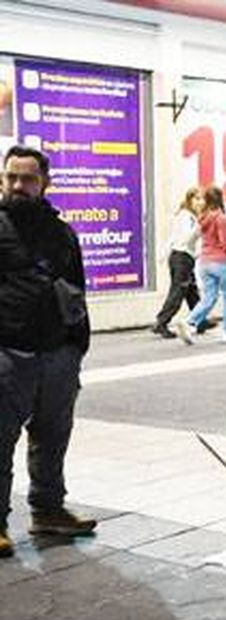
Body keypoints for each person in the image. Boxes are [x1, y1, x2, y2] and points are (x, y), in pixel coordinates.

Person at [0, 145, 97, 557]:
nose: (19, 186)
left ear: (45, 183)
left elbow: (77, 287)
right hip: (9, 351)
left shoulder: (62, 232)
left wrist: (78, 342)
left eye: (28, 179)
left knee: (53, 435)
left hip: (58, 352)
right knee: (0, 439)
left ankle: (48, 511)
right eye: (12, 178)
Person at [178, 185, 226, 343]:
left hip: (204, 263)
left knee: (209, 297)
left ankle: (189, 322)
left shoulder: (203, 217)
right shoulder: (220, 217)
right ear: (219, 199)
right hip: (222, 263)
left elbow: (210, 235)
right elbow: (225, 243)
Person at [151, 187, 204, 338]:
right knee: (178, 292)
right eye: (196, 199)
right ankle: (161, 322)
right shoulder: (187, 217)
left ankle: (200, 320)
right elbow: (185, 238)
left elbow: (173, 237)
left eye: (202, 199)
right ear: (189, 200)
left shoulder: (187, 216)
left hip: (183, 257)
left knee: (191, 291)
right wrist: (199, 229)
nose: (200, 202)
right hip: (182, 257)